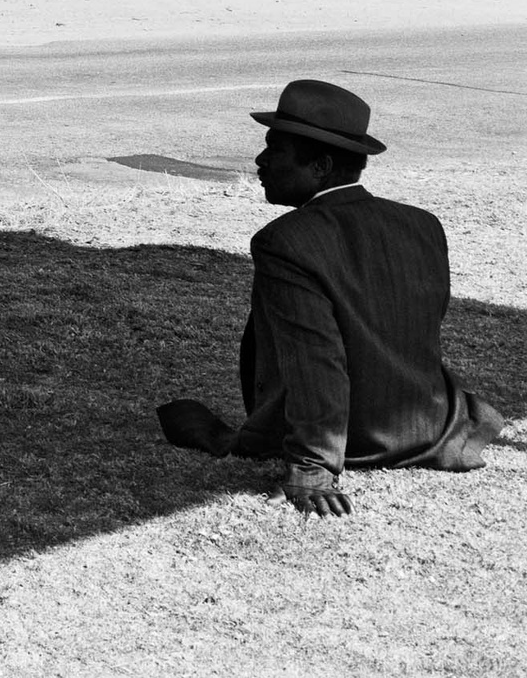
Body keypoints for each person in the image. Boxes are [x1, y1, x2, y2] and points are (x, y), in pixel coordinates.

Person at [156, 78, 502, 516]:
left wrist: (313, 467)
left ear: (319, 166)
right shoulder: (422, 224)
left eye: (274, 149)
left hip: (355, 438)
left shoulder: (286, 241)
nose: (259, 161)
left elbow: (314, 357)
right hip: (433, 426)